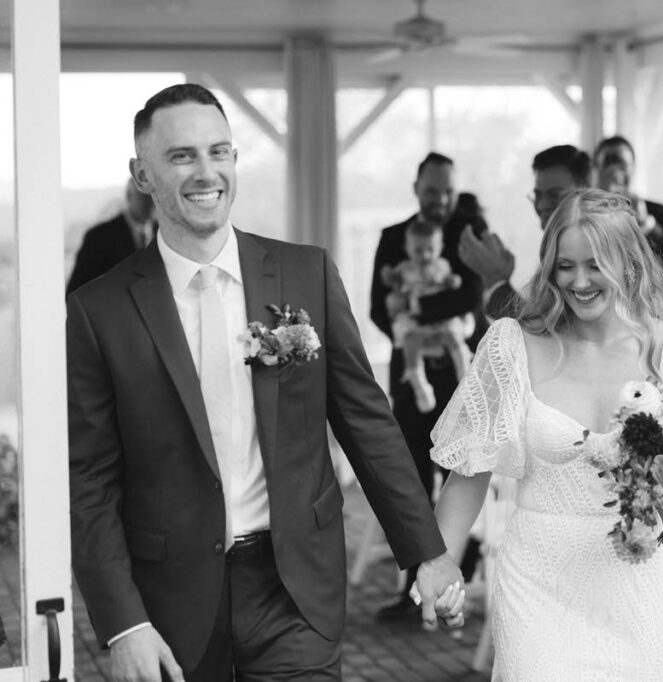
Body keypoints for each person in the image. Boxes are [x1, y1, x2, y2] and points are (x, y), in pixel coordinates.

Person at [67, 83, 463, 682]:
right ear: (141, 174)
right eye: (182, 157)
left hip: (294, 591)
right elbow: (90, 481)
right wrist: (124, 624)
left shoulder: (306, 273)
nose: (207, 173)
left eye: (220, 152)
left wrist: (427, 552)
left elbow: (365, 421)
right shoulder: (100, 311)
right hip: (169, 604)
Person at [424, 188, 663, 680]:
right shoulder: (512, 345)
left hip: (630, 590)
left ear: (629, 261)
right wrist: (438, 565)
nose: (579, 281)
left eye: (595, 264)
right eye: (564, 266)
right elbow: (469, 473)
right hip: (537, 585)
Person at [369, 151, 487, 620]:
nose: (442, 199)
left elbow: (472, 297)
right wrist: (417, 324)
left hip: (463, 372)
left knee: (463, 472)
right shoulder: (393, 238)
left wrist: (415, 310)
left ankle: (467, 548)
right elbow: (379, 307)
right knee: (413, 480)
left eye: (449, 190)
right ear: (416, 188)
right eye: (434, 190)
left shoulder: (468, 235)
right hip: (411, 373)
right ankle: (412, 590)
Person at [458, 144, 591, 320]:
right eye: (537, 195)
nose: (542, 205)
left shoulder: (590, 249)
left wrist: (495, 280)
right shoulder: (554, 247)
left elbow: (547, 333)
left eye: (554, 195)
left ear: (586, 192)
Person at [380, 217, 473, 413]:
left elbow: (452, 283)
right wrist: (389, 276)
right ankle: (419, 384)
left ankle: (465, 375)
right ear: (407, 248)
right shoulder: (405, 269)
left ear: (440, 248)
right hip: (417, 322)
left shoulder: (441, 266)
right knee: (410, 342)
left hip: (441, 319)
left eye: (431, 249)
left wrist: (452, 281)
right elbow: (391, 282)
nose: (425, 255)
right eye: (418, 250)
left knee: (454, 336)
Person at [593, 135, 663, 264]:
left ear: (633, 168)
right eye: (608, 163)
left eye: (622, 163)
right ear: (595, 170)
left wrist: (645, 223)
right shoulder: (582, 212)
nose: (615, 171)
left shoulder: (662, 213)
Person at [66, 178, 156, 295]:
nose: (152, 202)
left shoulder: (165, 233)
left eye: (155, 195)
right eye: (145, 196)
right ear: (129, 195)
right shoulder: (98, 237)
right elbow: (76, 292)